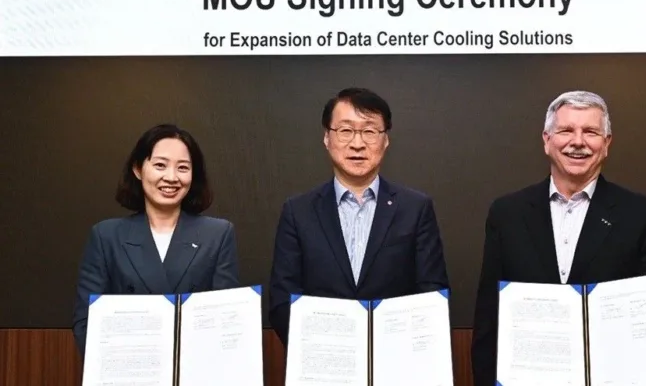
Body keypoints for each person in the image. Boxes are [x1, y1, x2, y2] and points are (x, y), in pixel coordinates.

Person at [471, 90, 646, 386]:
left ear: (606, 144)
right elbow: (488, 319)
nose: (578, 142)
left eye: (591, 132)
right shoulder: (507, 213)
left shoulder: (644, 216)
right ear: (547, 140)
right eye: (566, 130)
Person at [269, 87, 450, 346]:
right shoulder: (298, 212)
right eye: (345, 130)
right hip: (323, 365)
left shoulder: (416, 208)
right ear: (326, 138)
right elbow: (281, 301)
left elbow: (432, 294)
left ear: (385, 140)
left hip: (396, 364)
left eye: (369, 131)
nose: (357, 143)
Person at [71, 124, 240, 358]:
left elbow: (225, 323)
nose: (171, 177)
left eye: (183, 168)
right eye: (160, 165)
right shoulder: (106, 236)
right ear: (138, 169)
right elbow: (86, 324)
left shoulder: (218, 235)